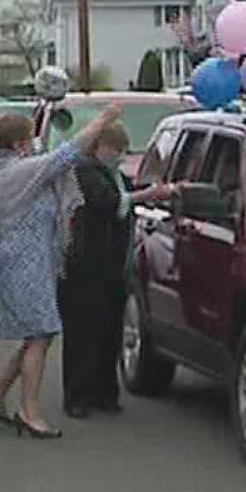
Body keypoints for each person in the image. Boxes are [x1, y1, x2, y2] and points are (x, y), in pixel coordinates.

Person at [0, 105, 121, 440]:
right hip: (23, 263)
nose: (32, 145)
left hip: (31, 261)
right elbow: (65, 155)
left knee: (39, 331)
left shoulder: (14, 170)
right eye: (27, 139)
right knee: (40, 333)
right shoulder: (18, 174)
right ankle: (30, 411)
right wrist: (103, 120)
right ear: (17, 145)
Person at [60, 123, 178, 419]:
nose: (119, 156)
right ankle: (77, 394)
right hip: (86, 264)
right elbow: (108, 202)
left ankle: (104, 391)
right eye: (115, 150)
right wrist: (145, 195)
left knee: (109, 330)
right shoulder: (85, 171)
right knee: (84, 331)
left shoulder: (114, 175)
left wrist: (157, 191)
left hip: (113, 265)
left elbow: (128, 190)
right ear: (100, 147)